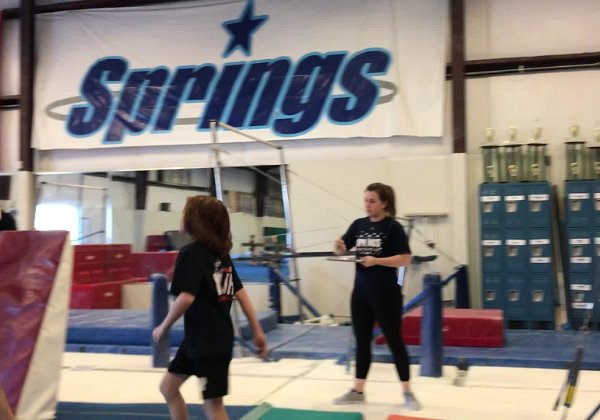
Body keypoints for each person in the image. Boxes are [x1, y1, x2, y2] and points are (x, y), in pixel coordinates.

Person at [152, 195, 268, 420]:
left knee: (213, 406)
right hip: (204, 341)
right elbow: (241, 293)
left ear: (194, 221)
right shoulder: (220, 255)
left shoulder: (190, 253)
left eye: (184, 213)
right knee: (168, 387)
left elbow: (186, 298)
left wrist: (163, 327)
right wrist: (257, 330)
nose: (181, 217)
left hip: (206, 344)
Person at [333, 182, 420, 410]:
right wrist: (339, 247)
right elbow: (343, 249)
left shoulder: (393, 228)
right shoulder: (358, 225)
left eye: (372, 201)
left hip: (386, 294)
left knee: (394, 341)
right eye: (365, 200)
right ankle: (358, 390)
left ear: (384, 203)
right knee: (362, 341)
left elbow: (404, 259)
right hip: (361, 293)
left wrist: (377, 261)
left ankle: (408, 392)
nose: (367, 205)